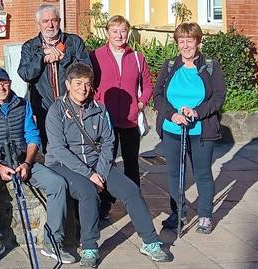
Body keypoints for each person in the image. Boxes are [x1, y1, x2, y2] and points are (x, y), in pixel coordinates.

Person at [45, 63, 171, 268]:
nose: (82, 89)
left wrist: (100, 173)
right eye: (78, 83)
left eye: (87, 84)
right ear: (68, 84)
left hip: (96, 164)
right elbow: (59, 150)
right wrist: (89, 175)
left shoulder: (99, 109)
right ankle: (89, 247)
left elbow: (108, 143)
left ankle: (150, 241)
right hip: (64, 165)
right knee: (87, 191)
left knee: (131, 189)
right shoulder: (56, 111)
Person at [0, 67, 75, 264]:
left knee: (58, 184)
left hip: (22, 160)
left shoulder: (22, 104)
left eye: (4, 83)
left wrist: (27, 163)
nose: (0, 88)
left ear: (10, 83)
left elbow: (32, 136)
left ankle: (53, 240)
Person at [154, 22, 225, 234]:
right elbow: (158, 96)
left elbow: (219, 97)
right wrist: (172, 114)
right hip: (172, 129)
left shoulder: (211, 66)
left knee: (202, 173)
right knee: (175, 173)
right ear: (177, 43)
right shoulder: (169, 66)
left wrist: (197, 112)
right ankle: (179, 212)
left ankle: (204, 215)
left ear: (198, 41)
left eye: (190, 41)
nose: (185, 46)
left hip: (201, 131)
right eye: (181, 41)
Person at [90, 15, 152, 218]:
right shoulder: (95, 56)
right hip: (104, 120)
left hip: (130, 120)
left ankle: (134, 203)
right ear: (107, 32)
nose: (119, 35)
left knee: (131, 162)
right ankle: (106, 202)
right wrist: (97, 103)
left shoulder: (137, 57)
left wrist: (140, 103)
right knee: (106, 162)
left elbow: (148, 85)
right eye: (115, 31)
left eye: (123, 31)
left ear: (128, 33)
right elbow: (90, 84)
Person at [18, 4, 91, 151]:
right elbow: (25, 74)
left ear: (59, 21)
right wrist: (42, 58)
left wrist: (64, 59)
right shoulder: (30, 47)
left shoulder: (74, 42)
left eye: (54, 20)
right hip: (44, 108)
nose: (50, 25)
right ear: (38, 24)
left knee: (75, 147)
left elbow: (87, 71)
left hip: (73, 106)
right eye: (45, 21)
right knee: (50, 149)